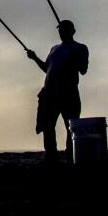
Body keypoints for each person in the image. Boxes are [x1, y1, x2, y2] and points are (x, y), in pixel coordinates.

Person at [26, 20, 90, 164]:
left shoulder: (80, 48)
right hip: (50, 94)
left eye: (64, 30)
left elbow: (83, 70)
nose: (61, 32)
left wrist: (75, 57)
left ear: (72, 31)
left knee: (71, 127)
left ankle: (71, 158)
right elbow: (46, 69)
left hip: (69, 93)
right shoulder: (54, 49)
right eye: (60, 30)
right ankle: (51, 157)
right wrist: (34, 57)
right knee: (48, 127)